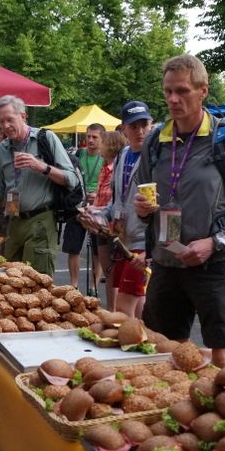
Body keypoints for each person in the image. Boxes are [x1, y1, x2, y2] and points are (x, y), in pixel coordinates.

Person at [134, 54, 225, 368]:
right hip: (166, 261)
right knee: (163, 351)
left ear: (203, 90)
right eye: (168, 91)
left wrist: (214, 243)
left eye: (182, 91)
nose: (173, 99)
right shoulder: (154, 141)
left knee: (222, 355)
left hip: (213, 266)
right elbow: (144, 200)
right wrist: (143, 210)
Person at [0, 94, 76, 276]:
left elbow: (71, 178)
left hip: (41, 221)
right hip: (13, 220)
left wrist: (41, 166)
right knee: (8, 281)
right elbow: (0, 190)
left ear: (23, 117)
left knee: (38, 284)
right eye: (1, 121)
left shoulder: (45, 138)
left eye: (10, 119)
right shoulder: (2, 149)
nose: (5, 126)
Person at [82, 101, 153, 318]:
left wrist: (153, 249)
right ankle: (143, 343)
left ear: (151, 125)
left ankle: (134, 344)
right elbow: (117, 203)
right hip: (123, 241)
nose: (140, 131)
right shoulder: (122, 155)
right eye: (134, 126)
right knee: (138, 304)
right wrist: (98, 214)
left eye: (144, 124)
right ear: (124, 129)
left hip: (143, 243)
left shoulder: (156, 156)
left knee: (123, 308)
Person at [86, 129, 127, 311]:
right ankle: (112, 310)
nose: (97, 144)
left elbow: (115, 200)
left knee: (115, 272)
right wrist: (92, 209)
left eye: (99, 140)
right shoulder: (104, 166)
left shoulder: (116, 169)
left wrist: (96, 210)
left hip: (112, 227)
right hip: (101, 223)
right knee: (108, 272)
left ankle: (116, 311)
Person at [61, 123, 105, 294]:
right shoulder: (78, 154)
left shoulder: (105, 158)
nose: (90, 140)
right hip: (77, 206)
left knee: (97, 249)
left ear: (102, 139)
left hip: (98, 207)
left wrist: (98, 194)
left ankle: (93, 288)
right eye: (88, 136)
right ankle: (74, 286)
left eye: (95, 137)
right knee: (73, 248)